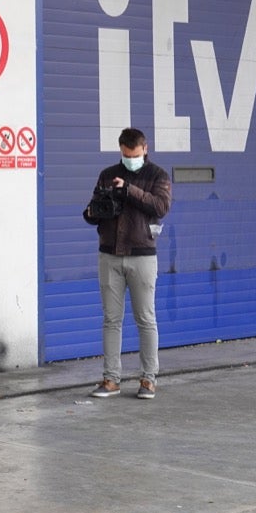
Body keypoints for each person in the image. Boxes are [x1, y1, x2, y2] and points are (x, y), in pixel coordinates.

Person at [83, 127, 171, 400]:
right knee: (111, 320)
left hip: (142, 255)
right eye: (124, 154)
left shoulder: (157, 175)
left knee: (145, 318)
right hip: (109, 254)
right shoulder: (108, 174)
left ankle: (148, 379)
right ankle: (111, 380)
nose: (129, 158)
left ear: (145, 148)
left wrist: (129, 190)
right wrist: (93, 210)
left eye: (133, 154)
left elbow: (160, 207)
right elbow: (93, 210)